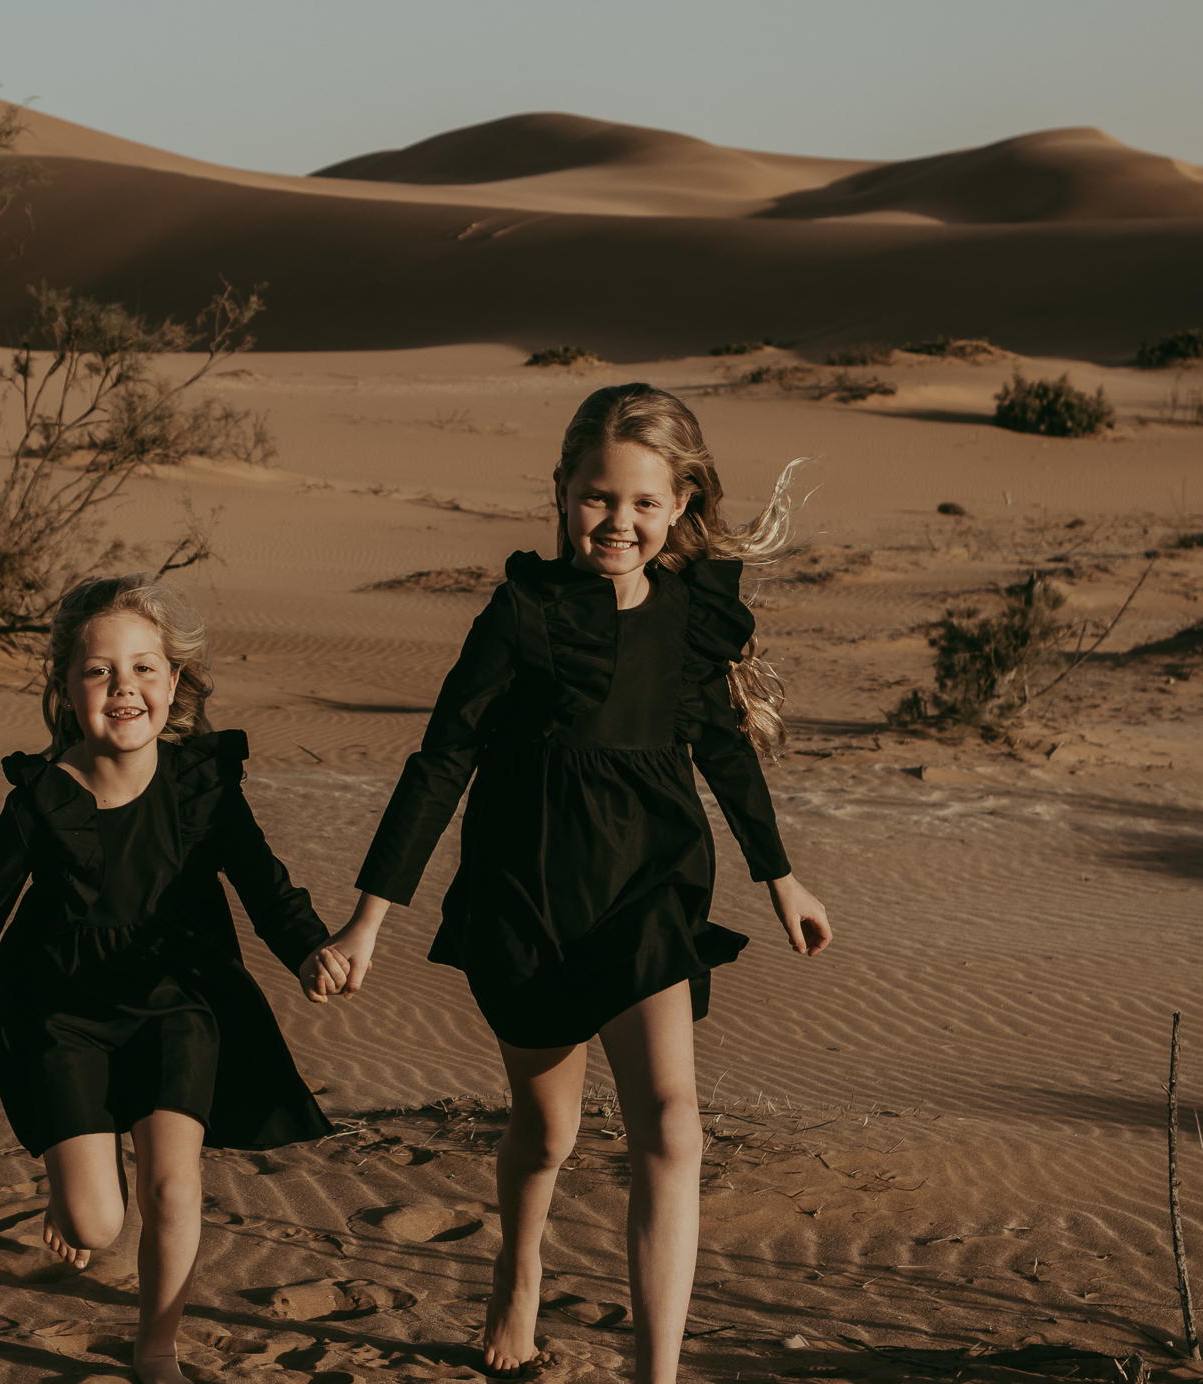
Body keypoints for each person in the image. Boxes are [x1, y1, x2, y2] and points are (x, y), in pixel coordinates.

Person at [312, 384, 834, 1382]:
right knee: (546, 1132)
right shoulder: (522, 614)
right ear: (561, 492)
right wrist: (367, 918)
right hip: (531, 894)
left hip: (652, 886)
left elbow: (721, 746)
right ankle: (520, 1264)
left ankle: (656, 1372)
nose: (619, 522)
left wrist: (783, 877)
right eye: (599, 497)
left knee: (671, 1125)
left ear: (679, 504)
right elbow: (443, 758)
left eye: (643, 503)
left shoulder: (692, 618)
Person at [0, 576, 344, 1384]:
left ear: (176, 684)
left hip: (179, 997)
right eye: (100, 672)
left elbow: (264, 881)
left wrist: (309, 947)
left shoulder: (203, 785)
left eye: (144, 669)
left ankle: (156, 1347)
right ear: (66, 689)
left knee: (173, 1185)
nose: (124, 688)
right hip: (61, 1011)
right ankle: (74, 1190)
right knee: (98, 1223)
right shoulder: (43, 799)